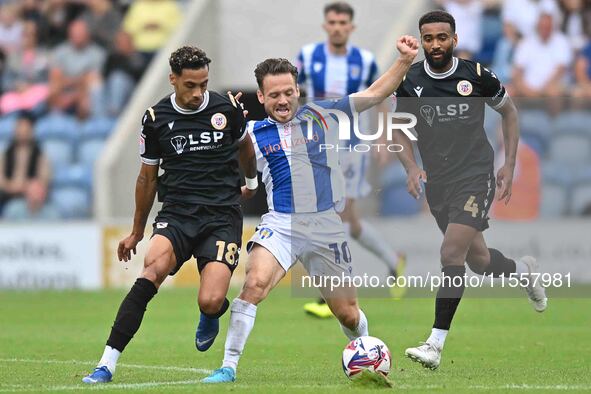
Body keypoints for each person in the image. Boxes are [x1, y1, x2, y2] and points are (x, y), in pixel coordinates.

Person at [201, 35, 419, 384]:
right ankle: (228, 367)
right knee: (253, 285)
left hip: (324, 226)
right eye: (274, 95)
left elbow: (375, 93)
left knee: (347, 314)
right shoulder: (252, 134)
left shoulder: (325, 115)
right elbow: (211, 152)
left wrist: (405, 61)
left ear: (297, 91)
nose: (283, 100)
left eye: (288, 92)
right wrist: (220, 116)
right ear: (261, 97)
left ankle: (367, 351)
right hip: (281, 224)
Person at [82, 46, 258, 384]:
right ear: (173, 79)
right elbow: (147, 177)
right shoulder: (155, 118)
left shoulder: (227, 109)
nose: (198, 93)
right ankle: (106, 364)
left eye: (203, 84)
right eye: (190, 85)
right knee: (152, 269)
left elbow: (245, 147)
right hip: (176, 214)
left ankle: (212, 312)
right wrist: (136, 232)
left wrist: (250, 182)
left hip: (222, 215)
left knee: (209, 301)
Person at [392, 11, 547, 370]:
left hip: (476, 176)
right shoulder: (410, 80)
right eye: (428, 38)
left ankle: (434, 344)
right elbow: (398, 130)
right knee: (477, 261)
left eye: (442, 38)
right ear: (422, 41)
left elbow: (509, 112)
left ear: (455, 40)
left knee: (450, 253)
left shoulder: (475, 75)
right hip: (439, 183)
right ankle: (524, 271)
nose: (435, 45)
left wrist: (507, 165)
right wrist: (411, 166)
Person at [296, 1, 407, 319]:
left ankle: (329, 293)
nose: (337, 27)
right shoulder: (307, 57)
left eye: (343, 22)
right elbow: (294, 96)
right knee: (349, 221)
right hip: (317, 146)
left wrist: (383, 139)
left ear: (351, 27)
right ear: (325, 25)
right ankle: (392, 260)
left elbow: (382, 95)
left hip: (350, 148)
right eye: (332, 22)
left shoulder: (365, 61)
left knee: (336, 215)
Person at [0, 112, 57, 220]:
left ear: (32, 130)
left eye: (25, 128)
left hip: (30, 198)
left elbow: (43, 181)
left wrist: (28, 189)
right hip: (6, 197)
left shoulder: (40, 155)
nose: (22, 131)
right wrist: (16, 187)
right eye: (19, 127)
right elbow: (1, 180)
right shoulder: (5, 154)